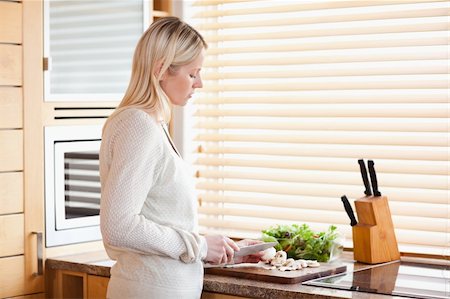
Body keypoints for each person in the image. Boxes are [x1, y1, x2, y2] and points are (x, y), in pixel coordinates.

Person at [99, 17, 263, 299]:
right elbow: (119, 226)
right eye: (192, 73)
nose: (199, 83)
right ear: (161, 69)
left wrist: (222, 251)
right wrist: (199, 246)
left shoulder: (147, 124)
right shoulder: (138, 125)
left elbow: (161, 221)